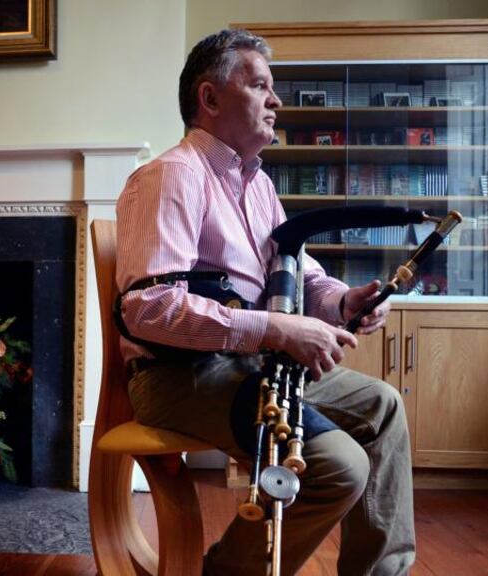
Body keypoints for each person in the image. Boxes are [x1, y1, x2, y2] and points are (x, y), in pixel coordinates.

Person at [115, 28, 415, 576]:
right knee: (340, 466)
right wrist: (274, 330)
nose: (276, 100)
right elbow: (148, 309)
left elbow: (298, 270)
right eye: (259, 86)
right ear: (209, 99)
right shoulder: (170, 177)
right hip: (180, 375)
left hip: (254, 363)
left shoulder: (259, 187)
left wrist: (344, 301)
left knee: (384, 408)